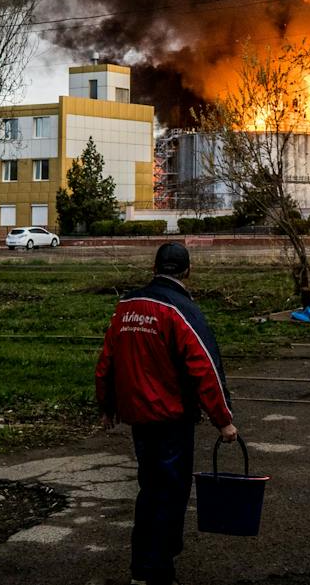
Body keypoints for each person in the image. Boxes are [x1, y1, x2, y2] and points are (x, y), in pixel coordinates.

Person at [95, 242, 238, 585]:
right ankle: (155, 572)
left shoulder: (127, 305)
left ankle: (145, 568)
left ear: (154, 267)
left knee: (150, 490)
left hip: (139, 418)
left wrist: (107, 405)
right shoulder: (181, 310)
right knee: (169, 494)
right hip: (171, 420)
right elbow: (204, 368)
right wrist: (224, 419)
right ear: (188, 271)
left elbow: (106, 361)